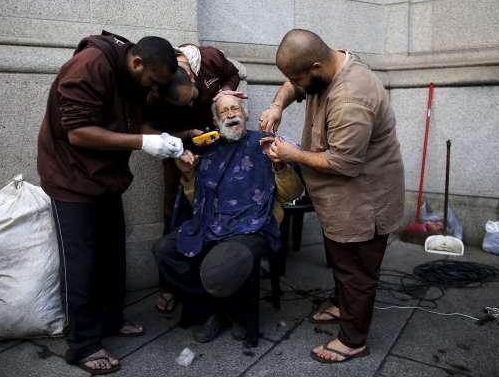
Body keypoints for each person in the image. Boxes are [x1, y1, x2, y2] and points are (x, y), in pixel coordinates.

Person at [37, 31, 184, 375]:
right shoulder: (88, 66)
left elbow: (137, 119)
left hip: (105, 177)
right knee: (83, 261)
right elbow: (79, 132)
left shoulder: (134, 76)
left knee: (112, 252)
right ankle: (84, 344)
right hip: (71, 176)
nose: (152, 90)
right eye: (152, 81)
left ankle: (112, 319)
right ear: (137, 63)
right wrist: (141, 143)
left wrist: (166, 139)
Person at [259, 29, 404, 364]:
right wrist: (277, 105)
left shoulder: (351, 99)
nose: (294, 84)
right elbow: (295, 84)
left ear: (316, 66)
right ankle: (344, 305)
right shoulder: (328, 63)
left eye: (298, 77)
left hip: (364, 200)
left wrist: (292, 154)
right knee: (341, 258)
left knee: (357, 270)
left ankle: (353, 340)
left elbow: (343, 163)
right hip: (338, 200)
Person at [152, 93, 303, 343]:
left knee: (226, 257)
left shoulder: (265, 143)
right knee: (164, 250)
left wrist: (279, 165)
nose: (231, 114)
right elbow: (196, 202)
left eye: (235, 109)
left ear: (245, 115)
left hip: (255, 226)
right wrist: (189, 176)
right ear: (216, 120)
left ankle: (233, 314)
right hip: (212, 223)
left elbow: (293, 194)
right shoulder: (209, 151)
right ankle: (213, 309)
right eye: (224, 111)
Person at [143, 44, 245, 314]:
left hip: (217, 143)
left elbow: (233, 74)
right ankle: (170, 285)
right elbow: (151, 130)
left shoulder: (210, 59)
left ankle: (219, 272)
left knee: (220, 204)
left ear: (191, 76)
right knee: (175, 210)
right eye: (183, 104)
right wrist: (184, 137)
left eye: (193, 97)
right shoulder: (154, 96)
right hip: (179, 147)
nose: (190, 104)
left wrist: (223, 93)